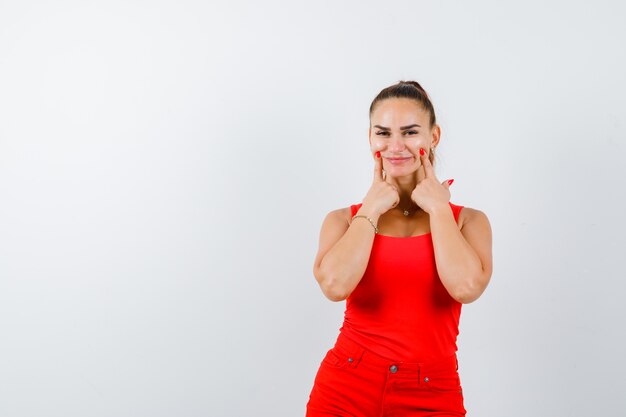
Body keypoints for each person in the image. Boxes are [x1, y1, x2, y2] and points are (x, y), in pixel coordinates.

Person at [305, 80, 493, 417]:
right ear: (370, 138)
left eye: (409, 132)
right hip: (345, 387)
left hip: (432, 391)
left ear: (433, 136)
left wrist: (437, 209)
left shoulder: (468, 222)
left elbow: (465, 287)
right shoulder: (344, 221)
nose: (396, 146)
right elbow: (334, 286)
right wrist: (370, 209)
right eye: (383, 133)